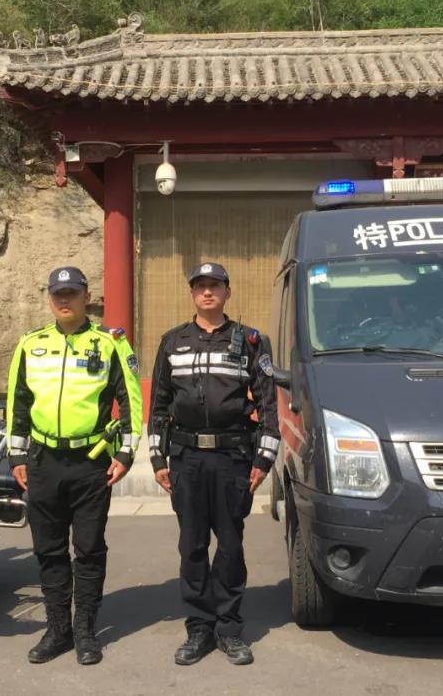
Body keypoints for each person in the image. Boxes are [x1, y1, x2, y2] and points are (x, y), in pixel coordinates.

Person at [5, 266, 143, 665]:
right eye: (57, 293)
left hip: (90, 463)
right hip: (43, 461)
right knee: (48, 549)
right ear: (50, 298)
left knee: (88, 548)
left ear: (87, 297)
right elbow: (18, 402)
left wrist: (126, 453)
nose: (64, 299)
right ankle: (57, 630)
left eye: (72, 292)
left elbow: (130, 400)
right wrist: (16, 455)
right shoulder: (30, 344)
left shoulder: (110, 343)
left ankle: (84, 629)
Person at [148, 262, 280, 666]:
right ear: (192, 293)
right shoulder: (172, 342)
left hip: (232, 459)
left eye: (215, 286)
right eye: (200, 286)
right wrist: (157, 457)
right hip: (186, 459)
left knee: (230, 545)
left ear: (227, 292)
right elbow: (159, 407)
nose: (208, 292)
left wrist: (264, 458)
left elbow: (268, 406)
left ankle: (229, 628)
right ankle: (199, 628)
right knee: (191, 546)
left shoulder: (252, 341)